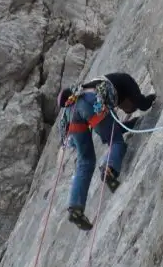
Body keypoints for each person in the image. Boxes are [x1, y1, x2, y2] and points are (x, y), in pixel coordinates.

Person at [58, 72, 155, 230]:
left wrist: (133, 123)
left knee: (85, 161)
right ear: (128, 98)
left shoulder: (102, 88)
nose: (129, 110)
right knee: (116, 142)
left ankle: (76, 207)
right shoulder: (126, 81)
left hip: (72, 112)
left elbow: (114, 128)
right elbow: (142, 104)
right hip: (89, 103)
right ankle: (109, 169)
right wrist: (154, 98)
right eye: (130, 107)